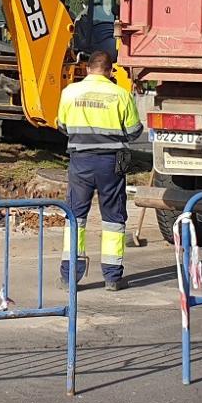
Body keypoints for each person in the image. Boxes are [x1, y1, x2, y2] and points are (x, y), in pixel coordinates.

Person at [57, 50, 142, 290]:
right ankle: (112, 277)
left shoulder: (70, 92)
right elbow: (134, 130)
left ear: (87, 68)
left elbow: (62, 125)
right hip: (110, 163)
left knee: (75, 215)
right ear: (110, 70)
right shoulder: (120, 94)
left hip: (80, 162)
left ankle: (70, 275)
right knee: (113, 218)